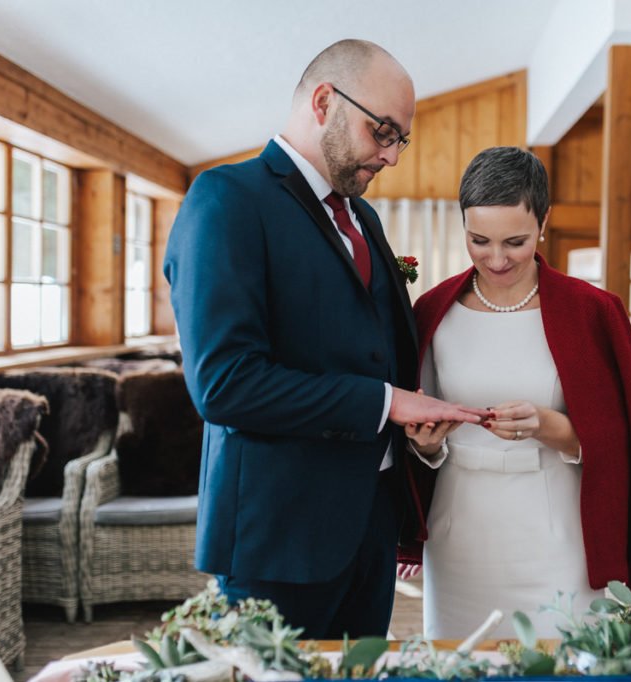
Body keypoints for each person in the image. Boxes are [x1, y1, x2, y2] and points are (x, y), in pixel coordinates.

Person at [163, 39, 484, 639]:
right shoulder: (228, 199)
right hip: (277, 541)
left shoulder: (364, 219)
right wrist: (385, 402)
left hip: (368, 530)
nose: (391, 157)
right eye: (382, 131)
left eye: (400, 140)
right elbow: (224, 384)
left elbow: (377, 343)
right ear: (322, 101)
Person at [396, 146, 631, 638]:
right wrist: (427, 443)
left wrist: (547, 425)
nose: (496, 259)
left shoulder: (595, 312)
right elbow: (422, 432)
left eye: (515, 241)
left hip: (559, 532)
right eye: (478, 240)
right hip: (461, 531)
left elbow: (626, 442)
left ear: (544, 221)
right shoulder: (433, 309)